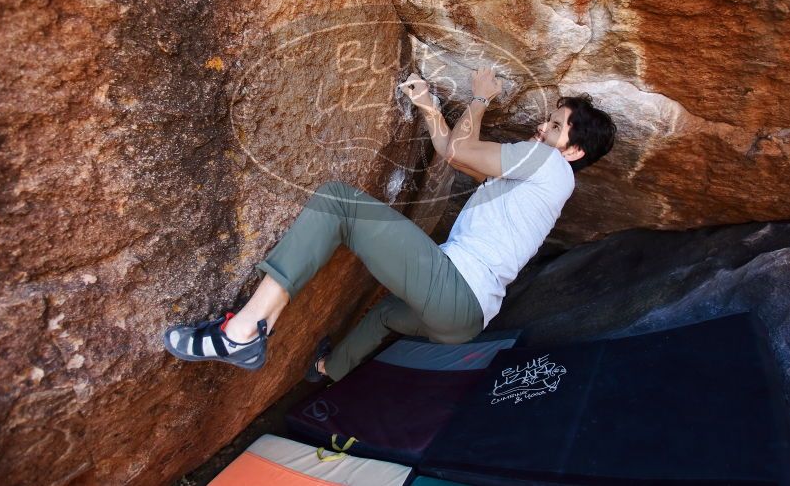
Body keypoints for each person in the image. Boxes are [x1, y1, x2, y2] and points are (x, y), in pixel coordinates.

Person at [162, 66, 617, 382]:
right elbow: (454, 151)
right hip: (466, 321)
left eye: (555, 127)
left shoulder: (544, 164)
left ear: (573, 151)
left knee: (338, 201)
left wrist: (480, 97)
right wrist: (428, 107)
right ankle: (329, 371)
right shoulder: (543, 183)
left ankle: (243, 333)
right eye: (548, 120)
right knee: (383, 315)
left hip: (457, 287)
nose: (541, 127)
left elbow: (457, 151)